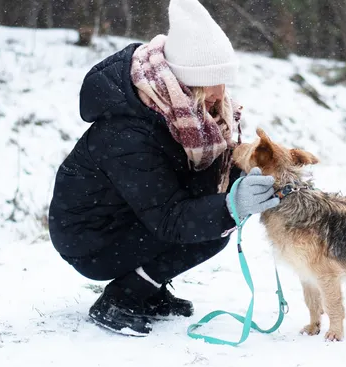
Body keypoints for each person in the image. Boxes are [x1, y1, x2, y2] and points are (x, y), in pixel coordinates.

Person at [48, 0, 280, 337]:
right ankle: (121, 299)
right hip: (90, 238)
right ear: (187, 82)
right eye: (213, 82)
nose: (221, 93)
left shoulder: (183, 113)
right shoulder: (126, 132)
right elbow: (170, 217)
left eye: (224, 81)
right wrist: (234, 203)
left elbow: (200, 182)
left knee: (213, 219)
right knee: (209, 231)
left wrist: (253, 180)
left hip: (129, 215)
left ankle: (148, 290)